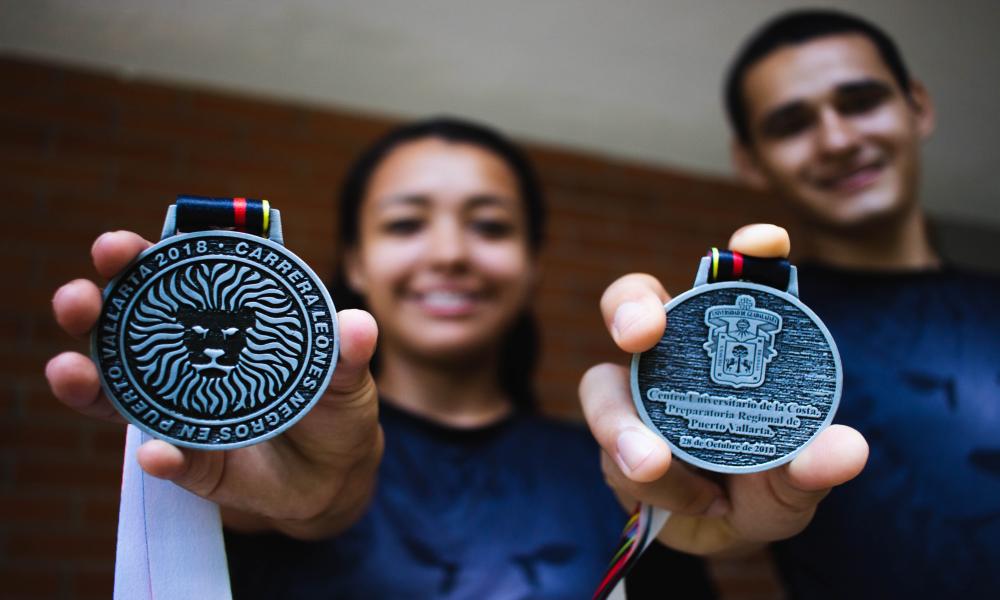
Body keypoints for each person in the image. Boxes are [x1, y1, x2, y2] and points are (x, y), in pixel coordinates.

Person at [46, 117, 714, 598]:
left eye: (490, 225)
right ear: (357, 261)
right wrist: (299, 500)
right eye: (405, 223)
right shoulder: (260, 443)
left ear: (533, 263)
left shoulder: (622, 469)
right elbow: (282, 499)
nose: (450, 253)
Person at [582, 8, 1000, 599]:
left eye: (859, 101)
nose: (837, 139)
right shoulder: (708, 327)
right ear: (749, 159)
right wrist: (691, 502)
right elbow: (732, 522)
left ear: (918, 107)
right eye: (791, 123)